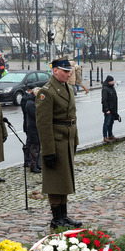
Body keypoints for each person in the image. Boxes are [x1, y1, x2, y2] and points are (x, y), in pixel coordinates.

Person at [35, 58, 81, 229]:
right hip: (55, 141)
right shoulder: (46, 92)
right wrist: (48, 151)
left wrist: (75, 140)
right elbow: (43, 124)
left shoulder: (67, 87)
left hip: (67, 140)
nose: (69, 74)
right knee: (55, 181)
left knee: (65, 180)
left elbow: (73, 117)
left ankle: (64, 215)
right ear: (55, 71)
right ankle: (56, 218)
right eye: (65, 71)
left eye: (69, 71)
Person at [23, 87, 42, 174]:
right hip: (33, 128)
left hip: (37, 128)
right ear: (35, 93)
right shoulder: (30, 103)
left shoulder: (36, 102)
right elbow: (36, 115)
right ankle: (33, 166)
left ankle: (37, 164)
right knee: (34, 148)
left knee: (38, 148)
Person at [101, 75, 118, 142]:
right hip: (108, 110)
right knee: (107, 123)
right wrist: (106, 109)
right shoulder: (105, 89)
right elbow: (104, 100)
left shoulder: (112, 88)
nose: (113, 81)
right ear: (108, 81)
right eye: (112, 81)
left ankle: (110, 135)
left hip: (113, 109)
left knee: (111, 122)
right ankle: (105, 136)